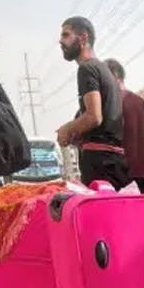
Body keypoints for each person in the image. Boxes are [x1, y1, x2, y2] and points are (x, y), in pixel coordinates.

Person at [55, 17, 129, 189]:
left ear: (83, 38)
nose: (60, 41)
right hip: (113, 162)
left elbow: (94, 117)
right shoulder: (103, 70)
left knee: (101, 215)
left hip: (100, 164)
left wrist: (67, 129)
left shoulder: (87, 69)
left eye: (66, 35)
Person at [105, 58, 144, 193]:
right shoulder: (140, 102)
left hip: (123, 174)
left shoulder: (110, 104)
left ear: (115, 75)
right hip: (143, 173)